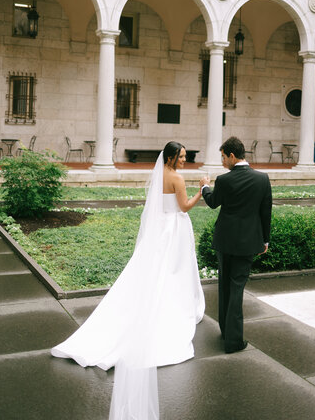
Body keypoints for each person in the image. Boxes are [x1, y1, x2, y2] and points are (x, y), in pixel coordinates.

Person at [51, 141, 205, 420]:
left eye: (186, 156)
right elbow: (184, 208)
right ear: (171, 158)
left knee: (159, 272)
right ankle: (171, 308)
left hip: (159, 232)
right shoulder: (177, 178)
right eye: (182, 156)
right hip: (174, 230)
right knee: (173, 272)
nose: (185, 160)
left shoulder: (159, 175)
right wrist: (202, 189)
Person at [200, 136, 271, 354]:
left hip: (225, 241)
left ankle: (226, 332)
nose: (222, 161)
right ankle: (234, 340)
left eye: (223, 157)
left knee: (225, 286)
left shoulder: (223, 180)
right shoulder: (262, 179)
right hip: (248, 242)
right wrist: (265, 240)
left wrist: (205, 187)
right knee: (237, 288)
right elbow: (265, 212)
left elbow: (213, 203)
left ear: (232, 156)